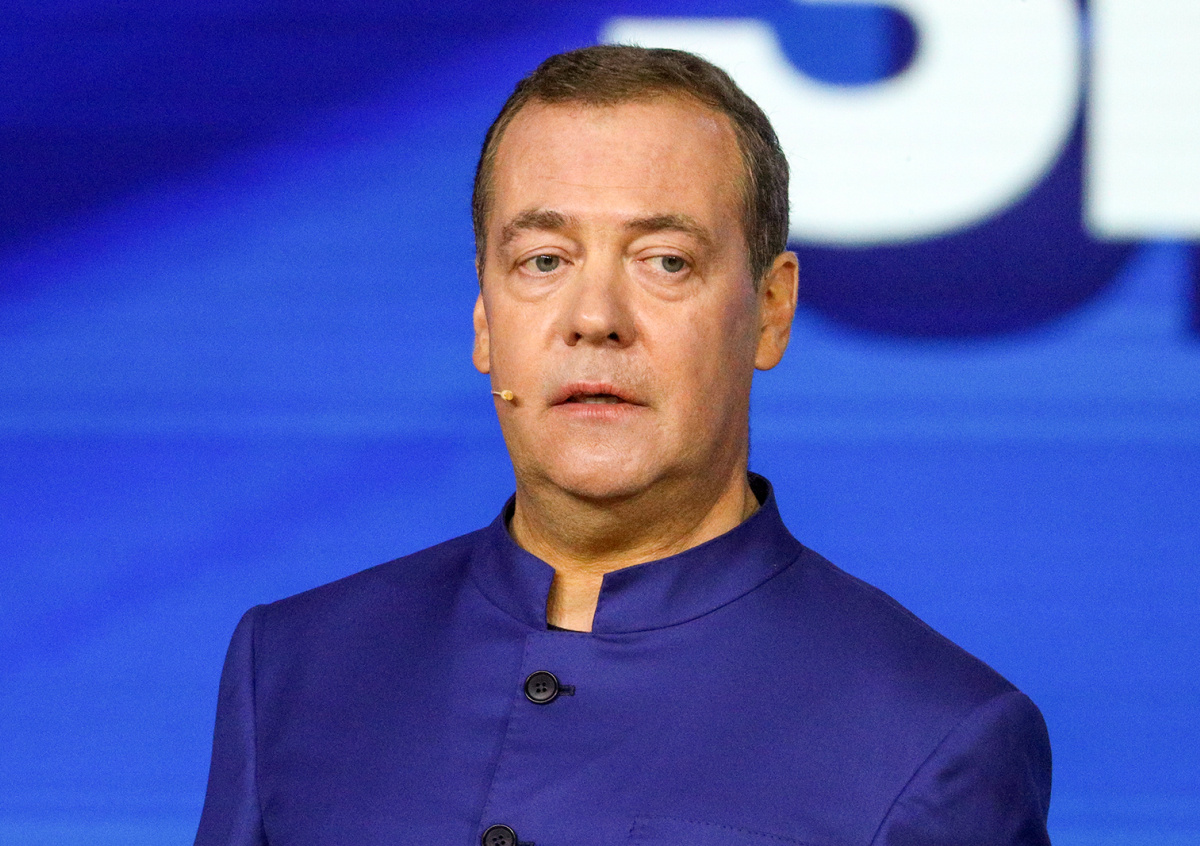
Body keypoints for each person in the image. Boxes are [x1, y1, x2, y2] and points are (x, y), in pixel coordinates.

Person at [195, 45, 1052, 846]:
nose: (594, 318)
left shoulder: (932, 740)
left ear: (772, 310)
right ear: (485, 318)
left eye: (665, 261)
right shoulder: (295, 667)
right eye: (543, 260)